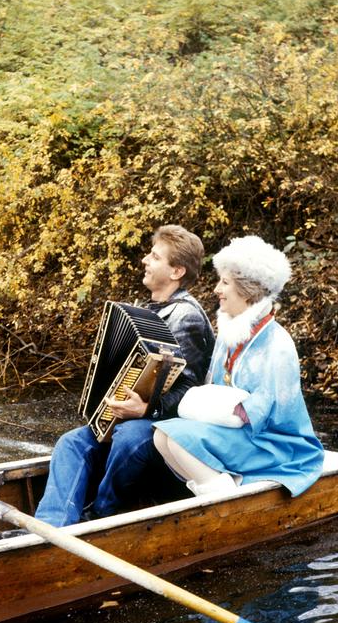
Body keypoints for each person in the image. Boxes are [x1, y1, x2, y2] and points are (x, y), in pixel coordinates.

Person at [33, 225, 216, 527]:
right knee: (71, 443)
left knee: (129, 437)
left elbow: (191, 391)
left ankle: (101, 517)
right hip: (130, 417)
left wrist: (146, 410)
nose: (145, 260)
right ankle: (50, 528)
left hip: (169, 428)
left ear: (176, 271)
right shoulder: (146, 310)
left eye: (155, 257)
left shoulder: (188, 317)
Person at [154, 235, 324, 499]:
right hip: (236, 432)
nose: (216, 290)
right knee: (161, 436)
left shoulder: (278, 344)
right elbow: (215, 390)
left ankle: (223, 502)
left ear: (247, 290)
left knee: (178, 438)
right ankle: (218, 489)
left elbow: (271, 414)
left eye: (225, 282)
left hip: (276, 443)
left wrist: (230, 410)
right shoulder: (228, 334)